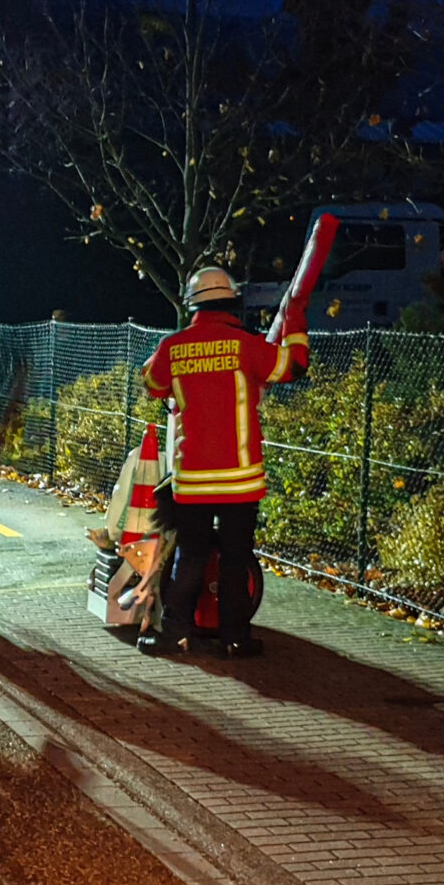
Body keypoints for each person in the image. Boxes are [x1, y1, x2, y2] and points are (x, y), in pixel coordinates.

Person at [138, 264, 308, 658]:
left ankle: (175, 634)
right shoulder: (246, 345)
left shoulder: (174, 347)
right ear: (232, 299)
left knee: (191, 555)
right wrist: (295, 320)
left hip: (193, 479)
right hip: (241, 480)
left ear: (192, 304)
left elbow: (152, 384)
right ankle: (235, 639)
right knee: (235, 559)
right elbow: (294, 365)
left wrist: (166, 353)